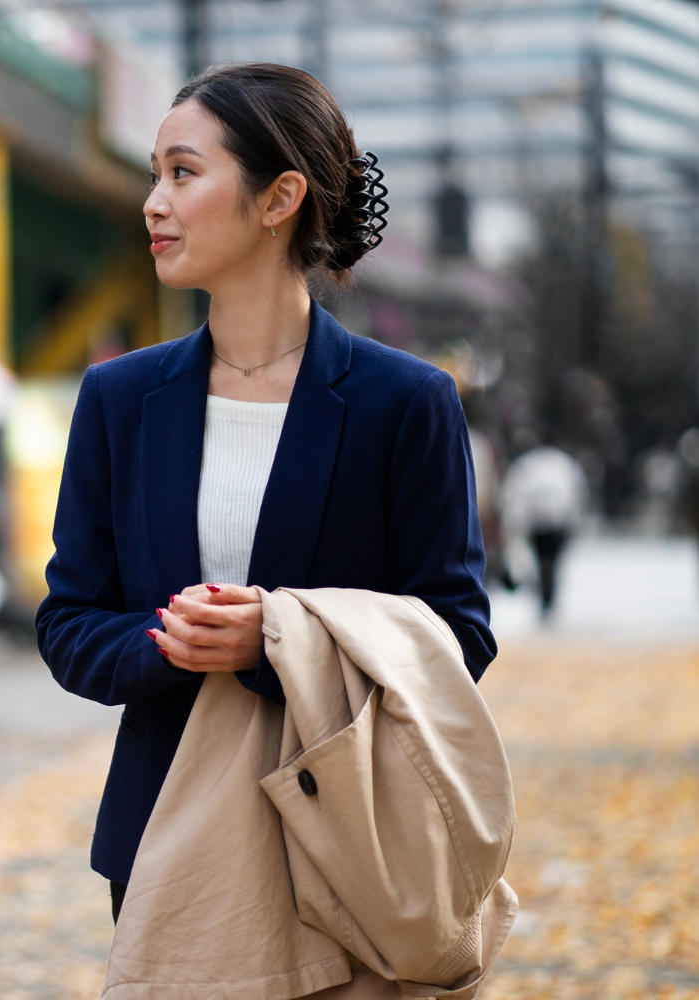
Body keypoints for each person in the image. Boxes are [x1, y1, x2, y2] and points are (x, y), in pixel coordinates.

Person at [35, 63, 495, 926]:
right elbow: (67, 624)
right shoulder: (119, 399)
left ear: (279, 198)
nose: (153, 202)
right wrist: (171, 641)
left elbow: (458, 637)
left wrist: (274, 641)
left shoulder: (405, 402)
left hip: (347, 843)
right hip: (164, 839)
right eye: (154, 174)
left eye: (183, 172)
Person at [499, 443, 586, 619]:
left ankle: (546, 601)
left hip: (545, 524)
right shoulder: (562, 463)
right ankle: (546, 601)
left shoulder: (527, 466)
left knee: (546, 564)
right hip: (550, 524)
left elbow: (513, 496)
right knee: (548, 564)